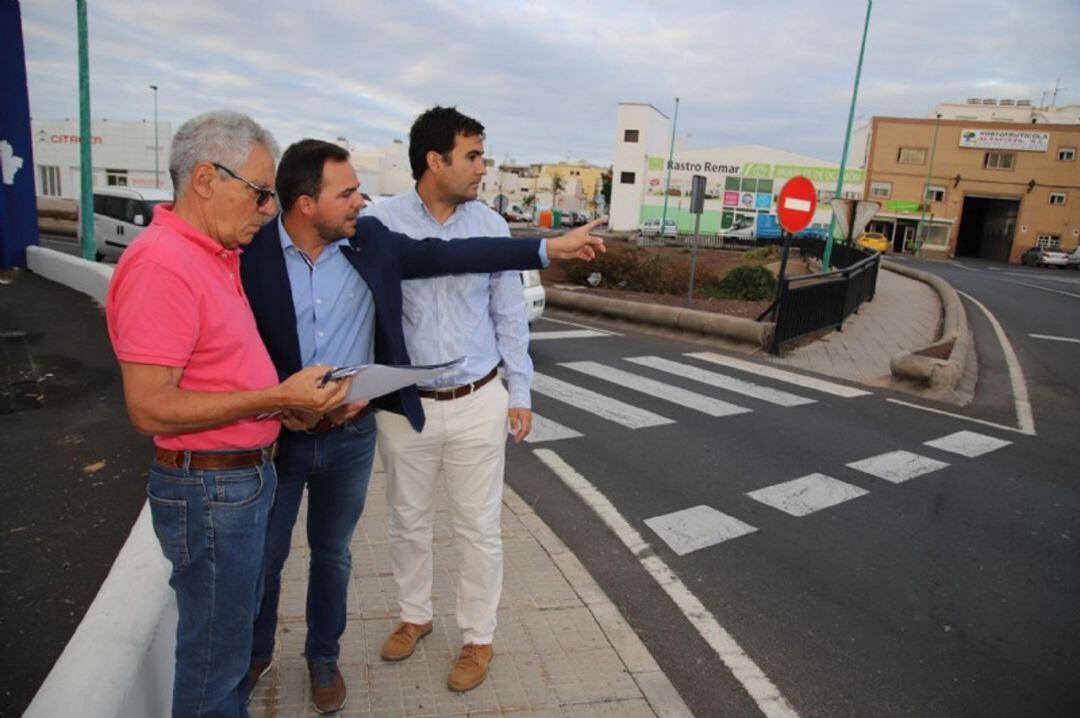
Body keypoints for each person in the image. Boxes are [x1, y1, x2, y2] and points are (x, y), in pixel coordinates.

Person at [239, 139, 604, 711]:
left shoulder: (370, 238)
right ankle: (256, 652)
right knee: (269, 553)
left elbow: (453, 257)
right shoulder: (253, 250)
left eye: (360, 190)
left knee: (336, 553)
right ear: (306, 204)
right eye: (347, 192)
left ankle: (326, 657)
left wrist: (547, 248)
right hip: (281, 434)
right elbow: (233, 333)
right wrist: (266, 397)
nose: (360, 200)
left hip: (366, 426)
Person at [104, 111, 351, 718]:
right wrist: (275, 399)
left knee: (227, 647)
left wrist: (282, 409)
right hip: (212, 488)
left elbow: (219, 370)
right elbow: (149, 405)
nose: (268, 209)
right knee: (215, 665)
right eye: (260, 192)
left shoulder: (213, 254)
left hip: (235, 481)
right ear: (207, 180)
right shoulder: (163, 263)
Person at [363, 106, 548, 692]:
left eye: (482, 155)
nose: (481, 168)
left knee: (478, 528)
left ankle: (477, 637)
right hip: (406, 404)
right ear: (434, 160)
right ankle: (415, 615)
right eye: (471, 156)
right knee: (407, 520)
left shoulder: (490, 228)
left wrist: (519, 390)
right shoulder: (380, 222)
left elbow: (509, 317)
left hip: (476, 399)